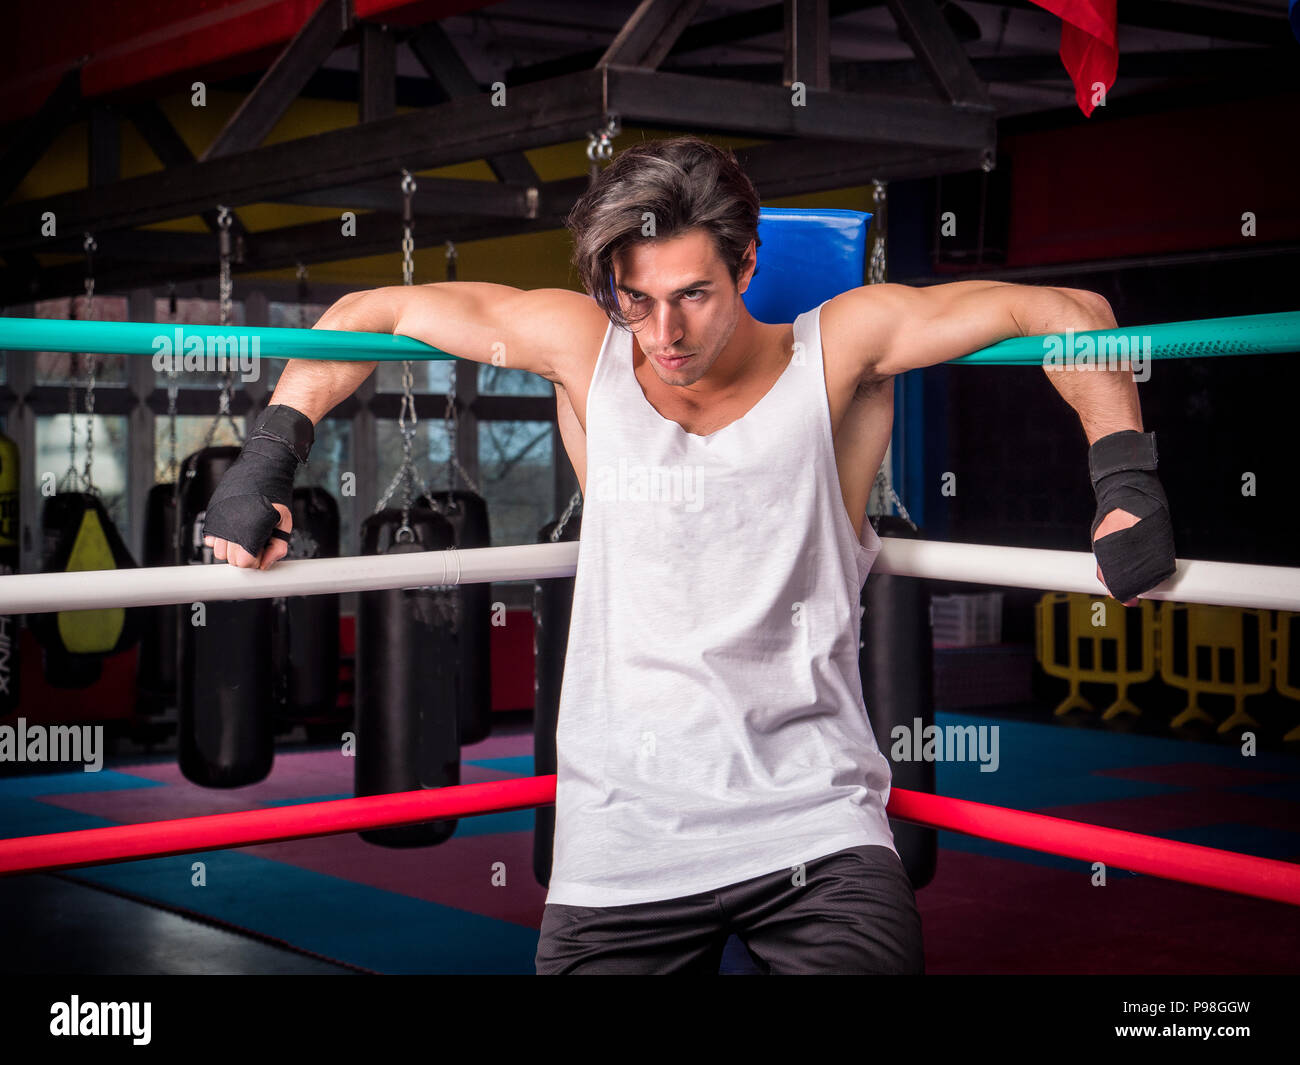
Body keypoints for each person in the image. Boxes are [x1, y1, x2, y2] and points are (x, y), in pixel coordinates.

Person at [201, 136, 1175, 974]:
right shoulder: (584, 349)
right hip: (622, 846)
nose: (663, 332)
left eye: (694, 296)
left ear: (747, 265)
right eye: (638, 296)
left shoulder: (835, 351)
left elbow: (1065, 310)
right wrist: (267, 461)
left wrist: (1123, 486)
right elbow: (368, 313)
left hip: (815, 828)